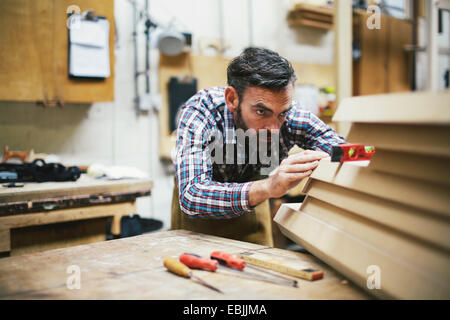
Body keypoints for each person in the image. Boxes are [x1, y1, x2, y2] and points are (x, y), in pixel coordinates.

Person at [171, 47, 345, 246]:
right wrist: (268, 187)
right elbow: (192, 194)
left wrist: (325, 158)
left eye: (281, 114)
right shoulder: (202, 111)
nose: (274, 129)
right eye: (261, 112)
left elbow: (345, 150)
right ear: (232, 99)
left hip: (251, 215)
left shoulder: (289, 115)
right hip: (195, 226)